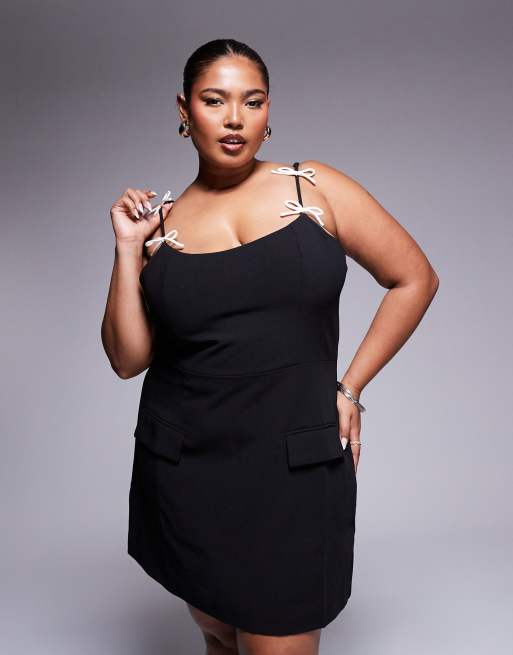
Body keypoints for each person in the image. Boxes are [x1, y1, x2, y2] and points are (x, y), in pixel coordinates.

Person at [101, 38, 439, 655]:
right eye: (215, 101)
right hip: (188, 469)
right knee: (222, 638)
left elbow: (414, 278)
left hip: (295, 466)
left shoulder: (315, 189)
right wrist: (127, 250)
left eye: (251, 102)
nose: (235, 118)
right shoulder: (160, 225)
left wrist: (350, 387)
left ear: (267, 111)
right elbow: (128, 360)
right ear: (184, 110)